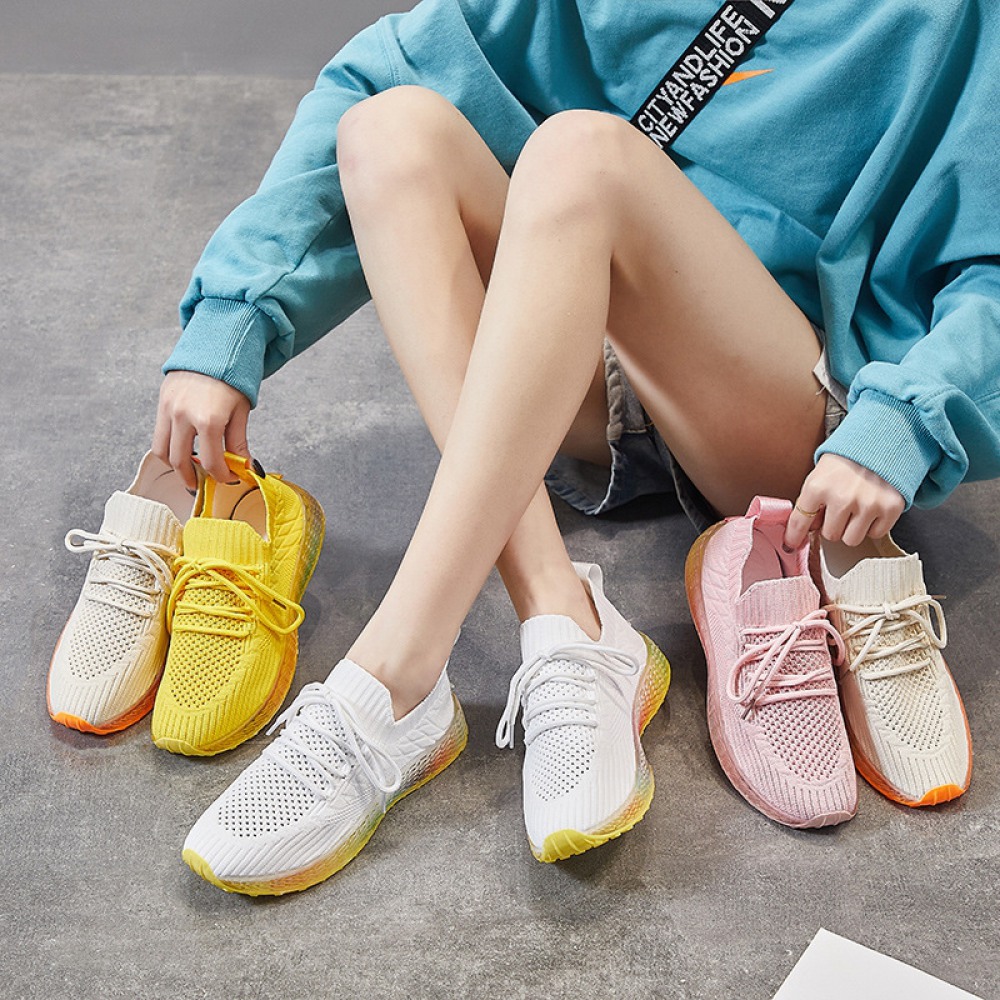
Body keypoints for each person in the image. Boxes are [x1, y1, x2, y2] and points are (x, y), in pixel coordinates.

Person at [153, 0, 999, 893]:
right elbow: (379, 71)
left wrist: (903, 420)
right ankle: (566, 621)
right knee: (386, 130)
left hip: (777, 407)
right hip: (587, 364)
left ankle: (392, 679)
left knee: (579, 152)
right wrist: (232, 319)